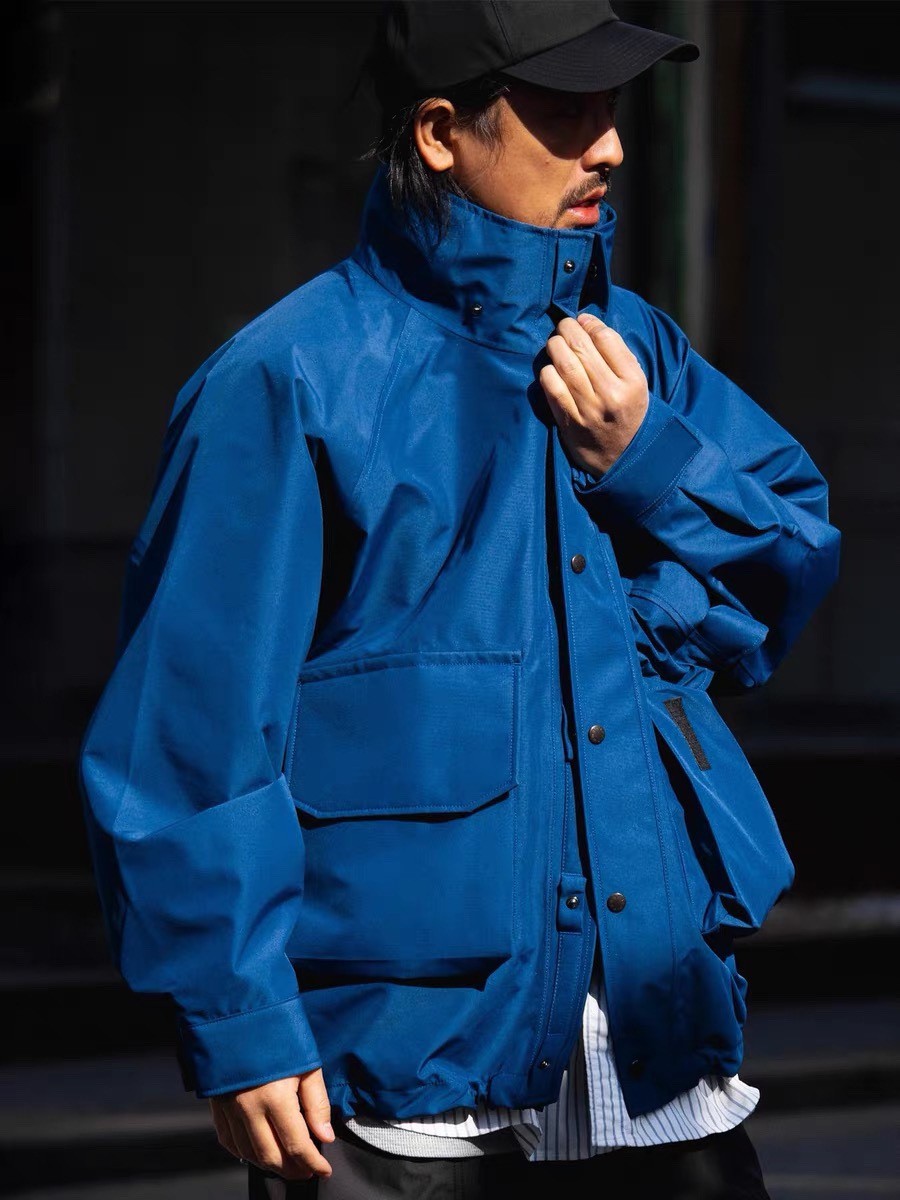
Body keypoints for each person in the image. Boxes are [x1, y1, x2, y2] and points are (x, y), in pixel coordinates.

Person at [77, 1, 841, 1196]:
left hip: (656, 1062)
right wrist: (239, 1019)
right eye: (566, 110)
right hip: (400, 1090)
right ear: (440, 132)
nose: (611, 147)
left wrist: (647, 460)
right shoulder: (289, 378)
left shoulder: (633, 350)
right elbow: (190, 732)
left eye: (613, 108)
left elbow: (790, 554)